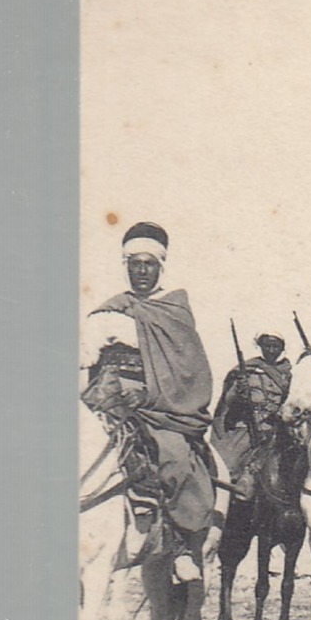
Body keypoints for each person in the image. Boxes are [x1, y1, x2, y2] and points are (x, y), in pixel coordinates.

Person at [81, 221, 216, 583]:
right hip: (103, 400)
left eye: (148, 264)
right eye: (133, 264)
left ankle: (181, 544)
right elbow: (87, 359)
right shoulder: (110, 309)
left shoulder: (174, 310)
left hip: (154, 404)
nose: (140, 271)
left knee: (173, 454)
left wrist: (146, 393)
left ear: (160, 267)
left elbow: (187, 368)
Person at [211, 331, 291, 499]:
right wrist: (239, 391)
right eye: (267, 346)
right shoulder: (247, 369)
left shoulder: (288, 373)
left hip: (277, 427)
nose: (271, 350)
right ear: (260, 347)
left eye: (275, 346)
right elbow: (229, 401)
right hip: (248, 427)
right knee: (228, 466)